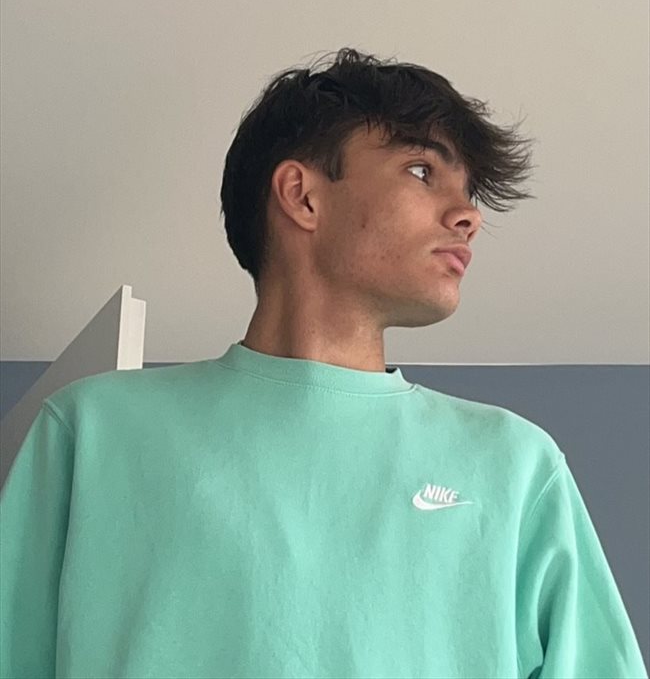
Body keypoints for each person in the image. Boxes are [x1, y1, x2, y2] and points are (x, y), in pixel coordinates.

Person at [1, 48, 647, 678]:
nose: (468, 216)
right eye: (422, 170)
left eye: (469, 191)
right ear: (301, 196)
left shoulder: (517, 466)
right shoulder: (90, 433)